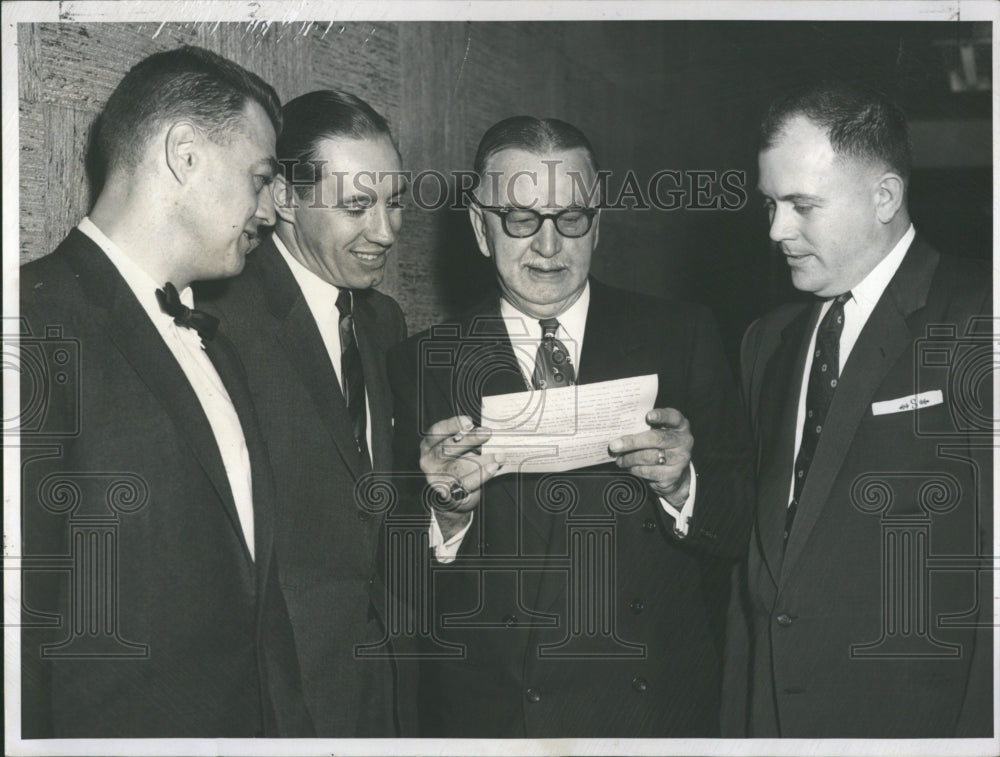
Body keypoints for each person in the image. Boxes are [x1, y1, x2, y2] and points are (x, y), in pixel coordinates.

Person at [387, 116, 754, 737]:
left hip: (650, 714)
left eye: (572, 218)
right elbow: (387, 582)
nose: (549, 246)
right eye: (522, 219)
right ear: (480, 227)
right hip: (499, 721)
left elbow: (747, 523)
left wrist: (683, 487)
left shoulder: (681, 336)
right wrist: (446, 515)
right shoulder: (421, 364)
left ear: (599, 223)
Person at [19, 46, 313, 738]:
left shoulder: (220, 345)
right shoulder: (28, 323)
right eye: (262, 176)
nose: (274, 208)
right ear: (185, 152)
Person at [722, 81, 992, 738]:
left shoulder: (977, 317)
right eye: (771, 204)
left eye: (802, 205)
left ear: (884, 197)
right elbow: (757, 577)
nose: (776, 229)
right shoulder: (767, 341)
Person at [199, 89, 410, 736]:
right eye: (357, 206)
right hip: (278, 701)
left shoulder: (384, 321)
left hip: (383, 687)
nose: (386, 231)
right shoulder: (220, 318)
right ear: (284, 199)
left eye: (394, 201)